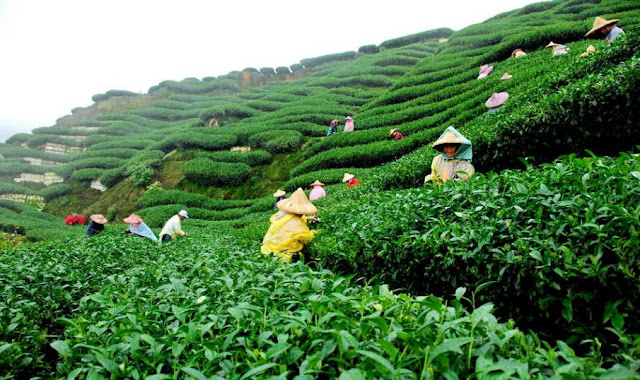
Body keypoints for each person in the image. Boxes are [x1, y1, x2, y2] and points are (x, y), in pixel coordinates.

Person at [261, 188, 318, 263]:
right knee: (297, 256)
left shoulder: (282, 217)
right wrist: (317, 232)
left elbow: (295, 219)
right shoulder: (297, 224)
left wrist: (308, 219)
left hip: (268, 251)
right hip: (283, 255)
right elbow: (306, 238)